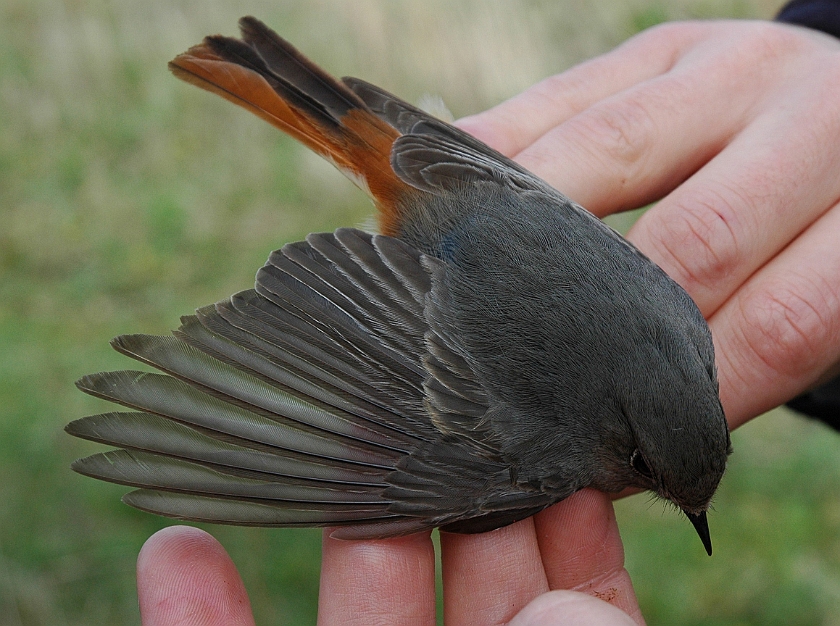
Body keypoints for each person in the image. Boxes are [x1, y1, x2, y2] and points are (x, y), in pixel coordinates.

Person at [135, 7, 840, 626]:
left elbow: (551, 212)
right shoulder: (554, 453)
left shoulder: (682, 326)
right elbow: (395, 445)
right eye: (645, 471)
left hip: (471, 184)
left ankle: (261, 71)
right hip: (434, 241)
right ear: (628, 443)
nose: (645, 486)